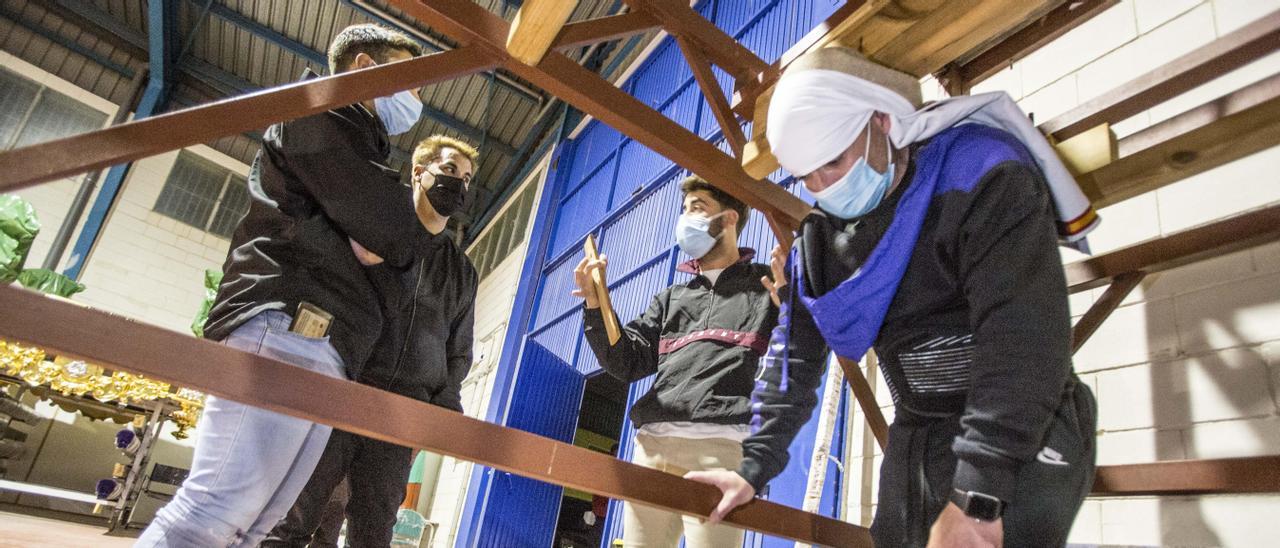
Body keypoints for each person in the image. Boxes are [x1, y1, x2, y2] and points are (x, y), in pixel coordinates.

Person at [685, 47, 1100, 548]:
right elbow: (793, 355)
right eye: (805, 178)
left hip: (1024, 421)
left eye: (833, 163)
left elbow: (1023, 339)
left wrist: (978, 497)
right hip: (920, 431)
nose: (822, 187)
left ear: (881, 121)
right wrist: (754, 465)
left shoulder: (980, 173)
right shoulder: (818, 244)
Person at [136, 24, 436, 547]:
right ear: (366, 69)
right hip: (288, 327)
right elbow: (387, 236)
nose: (417, 100)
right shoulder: (318, 114)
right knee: (212, 513)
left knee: (253, 527)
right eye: (411, 83)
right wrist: (395, 231)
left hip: (325, 346)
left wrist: (389, 236)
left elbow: (385, 242)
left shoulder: (358, 146)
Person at [263, 135, 479, 548]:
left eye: (467, 178)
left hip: (404, 413)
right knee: (297, 516)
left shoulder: (461, 271)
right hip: (346, 390)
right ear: (420, 172)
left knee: (374, 529)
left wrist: (441, 412)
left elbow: (459, 349)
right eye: (450, 170)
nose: (460, 184)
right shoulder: (376, 234)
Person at [572, 176, 778, 547]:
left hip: (723, 447)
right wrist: (594, 303)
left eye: (697, 207)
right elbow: (626, 362)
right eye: (684, 210)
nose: (686, 218)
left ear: (730, 219)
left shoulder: (767, 287)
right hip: (655, 448)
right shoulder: (671, 299)